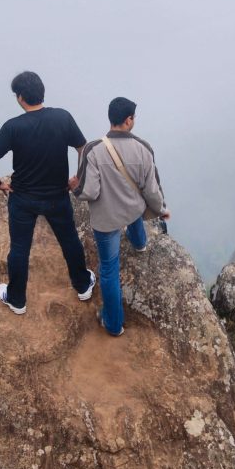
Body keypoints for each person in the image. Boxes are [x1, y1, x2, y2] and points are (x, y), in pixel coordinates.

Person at [0, 71, 96, 315]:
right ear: (41, 92)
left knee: (20, 248)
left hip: (23, 198)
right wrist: (78, 177)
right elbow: (83, 148)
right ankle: (83, 285)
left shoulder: (13, 127)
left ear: (21, 97)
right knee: (69, 240)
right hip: (57, 196)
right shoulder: (62, 118)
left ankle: (17, 300)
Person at [72, 97, 169, 336]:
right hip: (133, 209)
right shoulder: (143, 148)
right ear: (129, 120)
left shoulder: (92, 150)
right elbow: (151, 190)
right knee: (134, 213)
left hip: (107, 219)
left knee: (109, 270)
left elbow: (89, 191)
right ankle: (139, 243)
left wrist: (74, 186)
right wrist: (161, 209)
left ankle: (114, 325)